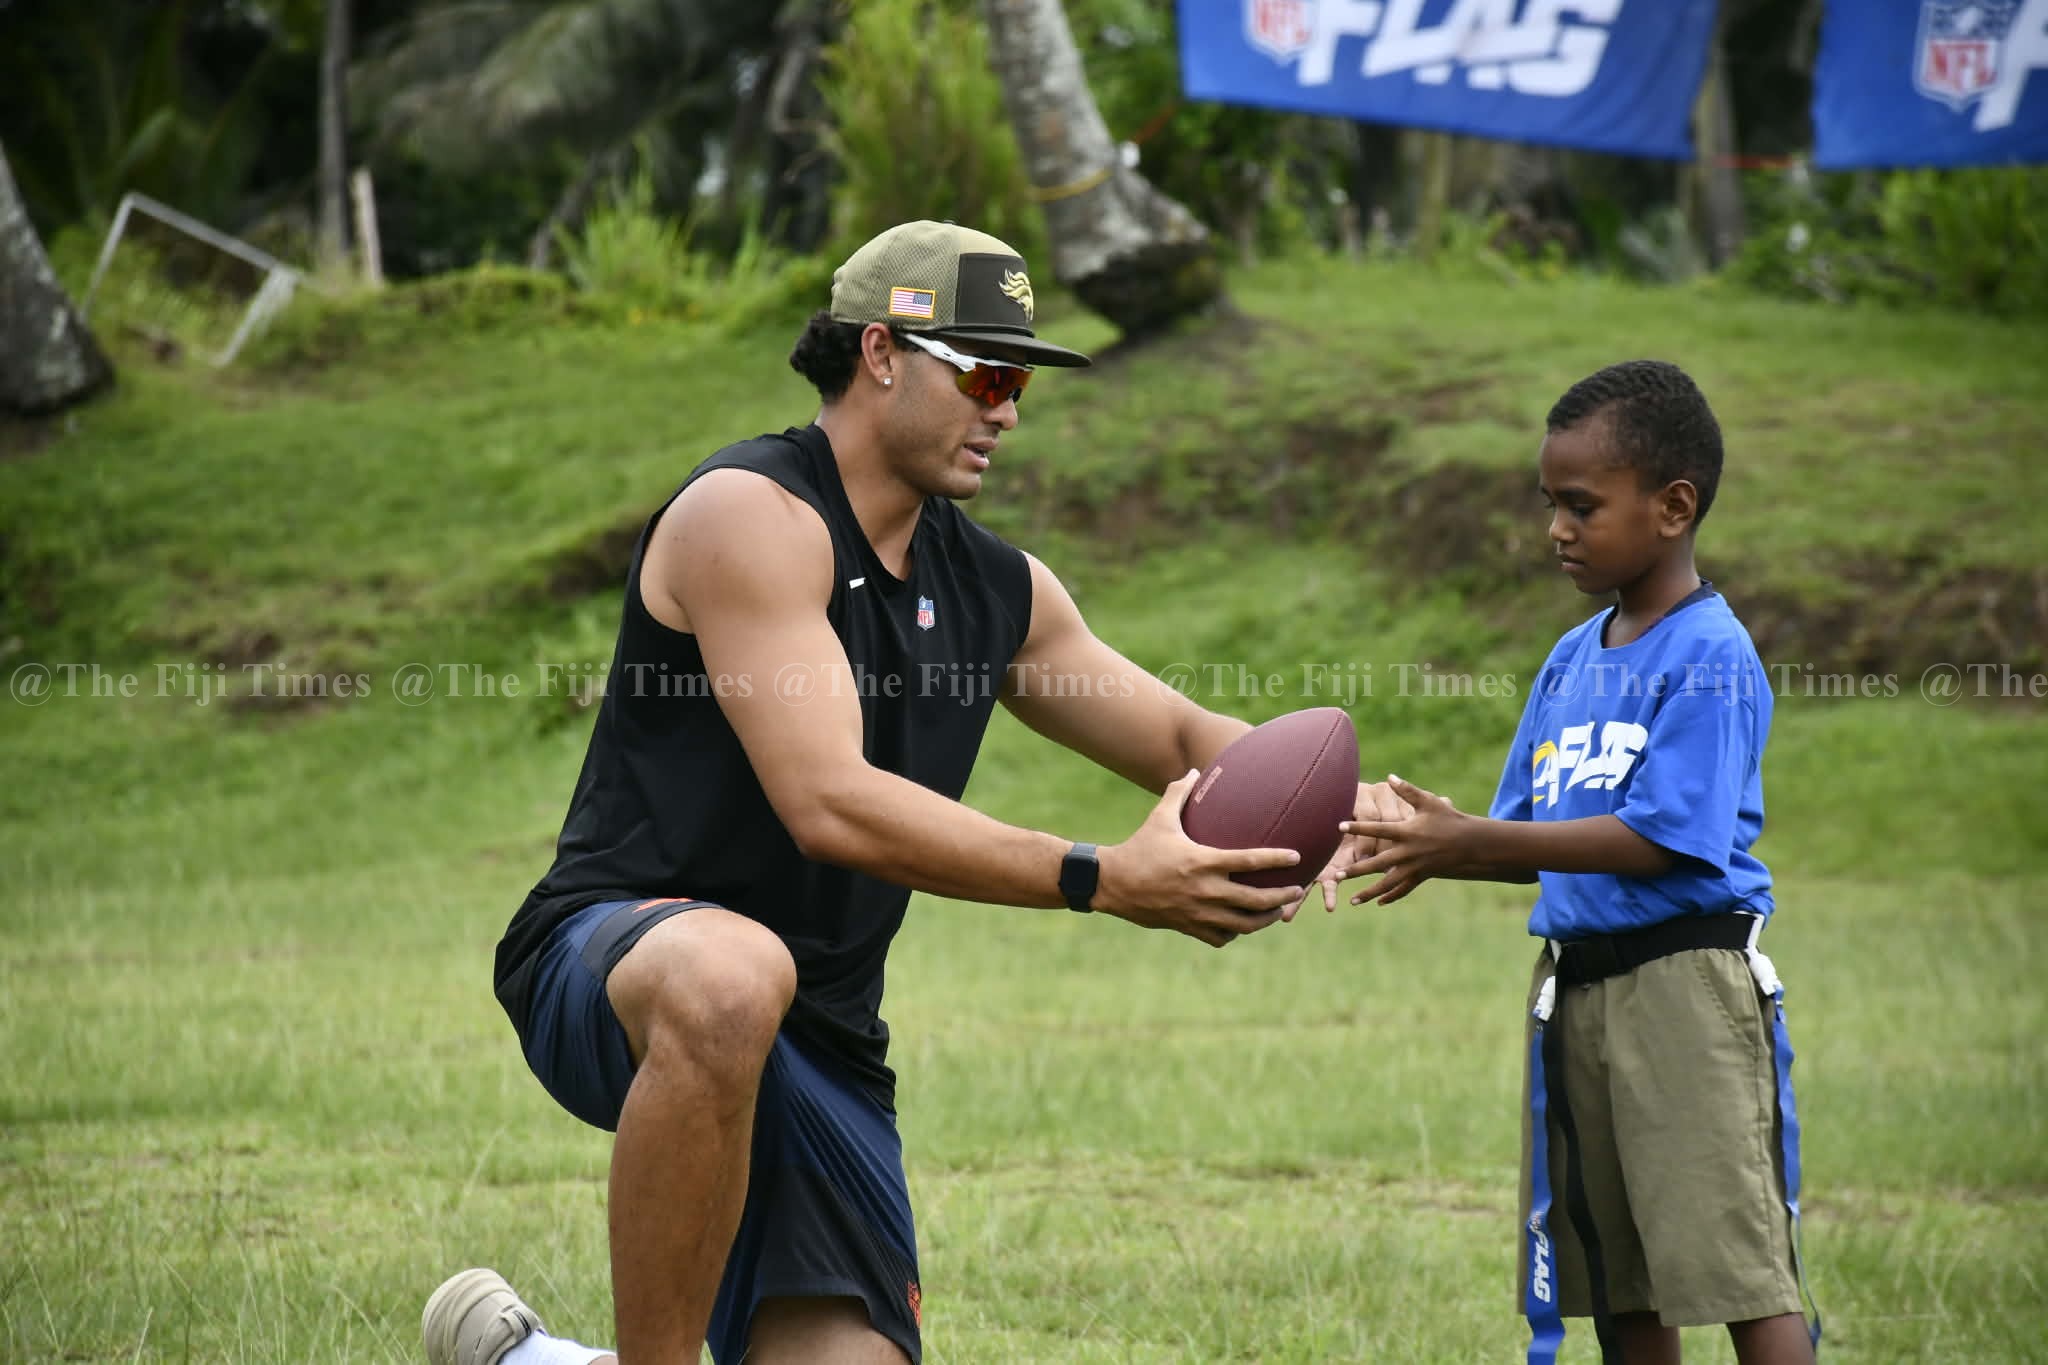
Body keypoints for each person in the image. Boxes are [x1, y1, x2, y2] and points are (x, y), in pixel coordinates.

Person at [421, 220, 1402, 1365]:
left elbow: (1184, 736)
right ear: (880, 353)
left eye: (1019, 383)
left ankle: (521, 1358)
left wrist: (1348, 810)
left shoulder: (996, 589)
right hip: (621, 959)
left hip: (825, 1037)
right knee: (733, 974)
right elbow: (827, 801)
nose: (1008, 412)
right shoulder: (750, 516)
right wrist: (1098, 877)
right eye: (984, 375)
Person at [1339, 361, 1820, 1364]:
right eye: (1549, 503)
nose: (1556, 529)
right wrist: (1420, 838)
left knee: (1739, 1270)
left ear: (1672, 507)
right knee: (1613, 1276)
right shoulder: (1570, 660)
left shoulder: (1710, 654)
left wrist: (1471, 838)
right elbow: (1524, 835)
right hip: (1576, 992)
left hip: (1686, 991)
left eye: (1580, 505)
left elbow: (1660, 839)